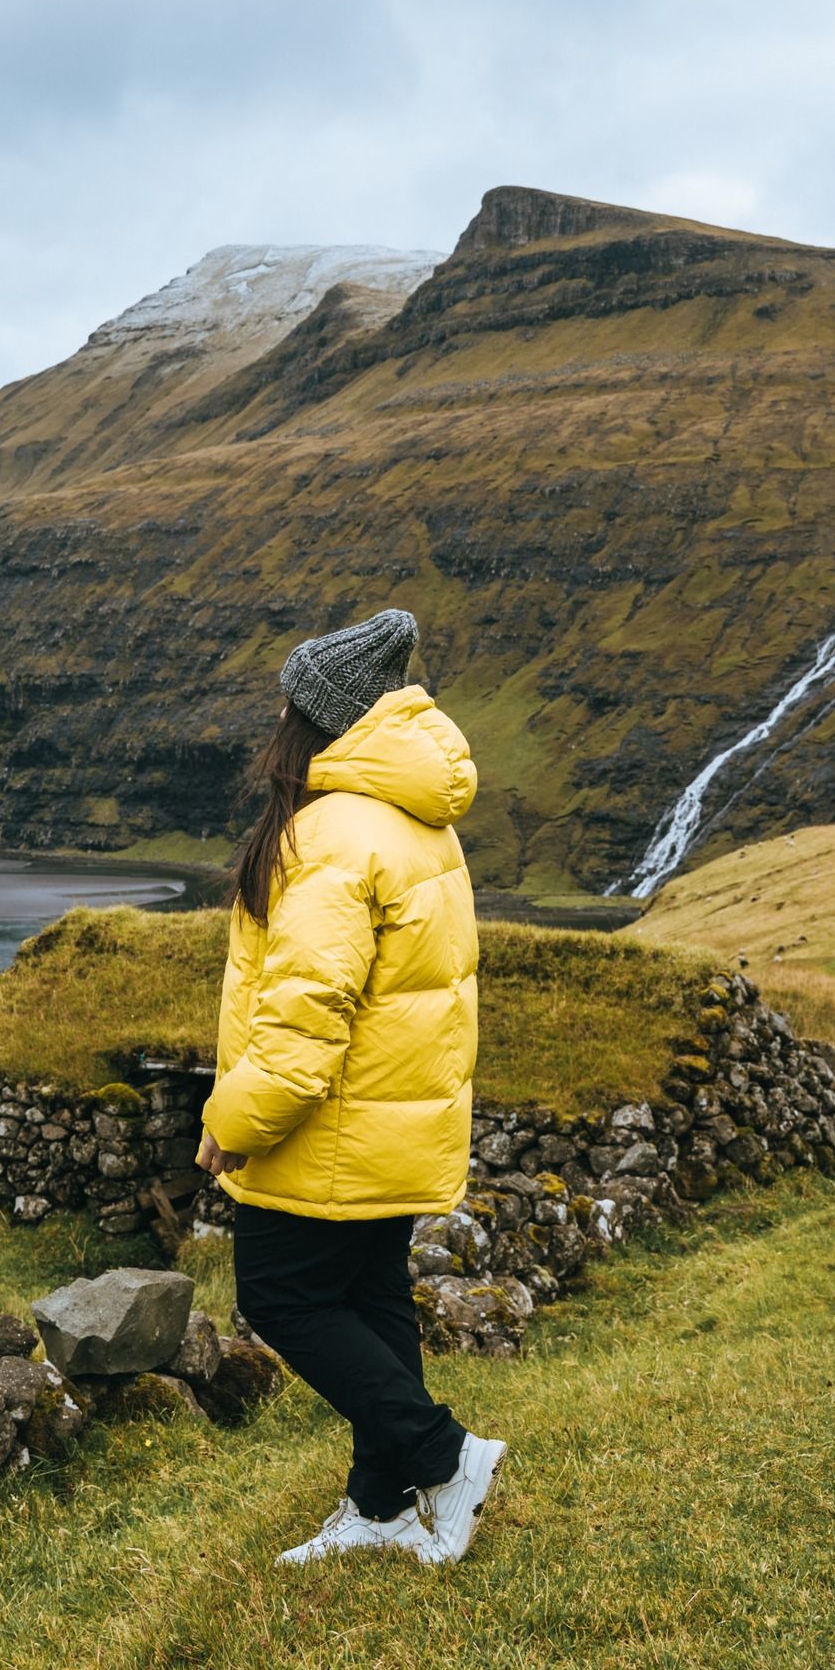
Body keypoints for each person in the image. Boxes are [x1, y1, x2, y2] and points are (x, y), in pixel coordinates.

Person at [197, 606, 505, 1567]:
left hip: (327, 1133)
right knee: (371, 1299)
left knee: (283, 1296)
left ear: (319, 719)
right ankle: (378, 1507)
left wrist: (231, 1123)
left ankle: (445, 1456)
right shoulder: (418, 819)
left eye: (288, 707)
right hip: (396, 1123)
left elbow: (302, 1023)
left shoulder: (329, 835)